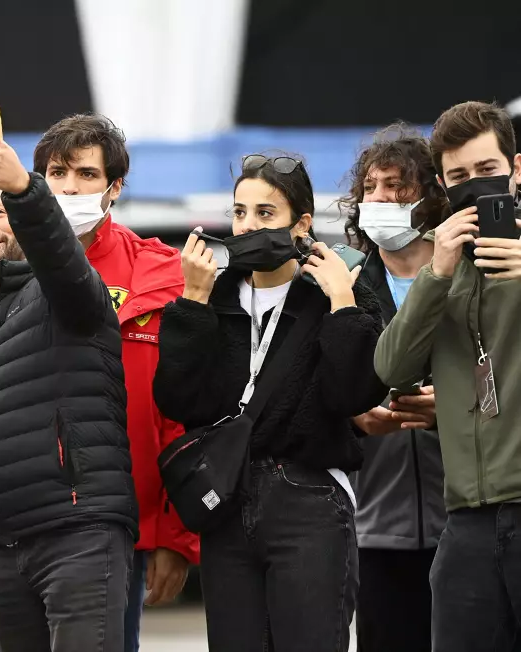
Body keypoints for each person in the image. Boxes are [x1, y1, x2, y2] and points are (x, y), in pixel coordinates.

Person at [0, 113, 199, 650]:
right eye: (57, 174)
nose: (70, 187)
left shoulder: (160, 271)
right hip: (22, 520)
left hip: (109, 518)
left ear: (114, 186)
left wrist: (177, 533)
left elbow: (184, 410)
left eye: (86, 175)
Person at [154, 154, 387, 652]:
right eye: (240, 213)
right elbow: (176, 399)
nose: (248, 225)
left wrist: (343, 305)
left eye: (265, 214)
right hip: (228, 500)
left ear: (301, 223)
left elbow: (354, 395)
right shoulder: (213, 294)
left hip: (311, 498)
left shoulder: (336, 291)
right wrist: (191, 303)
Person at [374, 100, 521, 652]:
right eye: (458, 177)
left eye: (487, 172)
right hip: (465, 519)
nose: (474, 187)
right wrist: (436, 272)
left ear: (516, 169)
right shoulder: (442, 262)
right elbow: (390, 366)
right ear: (442, 182)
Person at [340, 125, 447, 652]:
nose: (380, 198)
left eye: (397, 186)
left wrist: (449, 409)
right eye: (371, 187)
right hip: (374, 523)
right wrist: (354, 413)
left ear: (430, 196)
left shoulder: (468, 275)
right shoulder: (345, 287)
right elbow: (320, 392)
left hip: (465, 514)